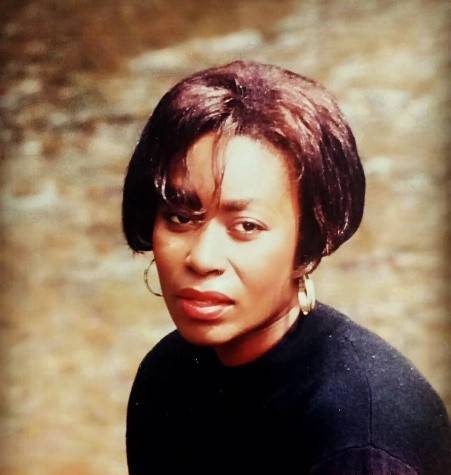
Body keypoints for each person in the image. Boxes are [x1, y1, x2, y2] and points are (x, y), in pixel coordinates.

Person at [121, 60, 451, 474]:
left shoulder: (360, 441)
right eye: (181, 218)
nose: (202, 258)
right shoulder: (167, 378)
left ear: (308, 247)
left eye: (247, 226)